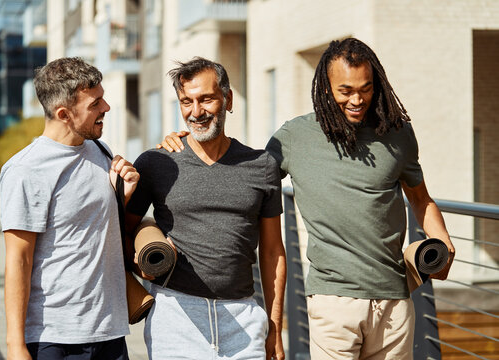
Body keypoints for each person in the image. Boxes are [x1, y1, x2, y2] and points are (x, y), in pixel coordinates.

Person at [159, 38, 456, 359]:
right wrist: (189, 144)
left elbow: (421, 200)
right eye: (345, 91)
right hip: (332, 301)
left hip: (395, 299)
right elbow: (244, 171)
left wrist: (442, 238)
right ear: (326, 88)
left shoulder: (397, 134)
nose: (357, 99)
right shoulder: (295, 137)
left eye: (366, 89)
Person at [125, 57, 287, 360]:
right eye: (186, 101)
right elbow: (121, 232)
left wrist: (274, 327)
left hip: (243, 316)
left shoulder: (263, 166)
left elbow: (272, 252)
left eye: (206, 99)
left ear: (227, 99)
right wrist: (143, 266)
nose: (196, 112)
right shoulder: (156, 163)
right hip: (175, 317)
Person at [0, 57, 140, 360]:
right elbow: (18, 261)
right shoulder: (26, 170)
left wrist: (122, 197)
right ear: (64, 114)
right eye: (95, 103)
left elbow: (90, 227)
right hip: (54, 338)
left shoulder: (101, 152)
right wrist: (15, 345)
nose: (106, 108)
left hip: (110, 332)